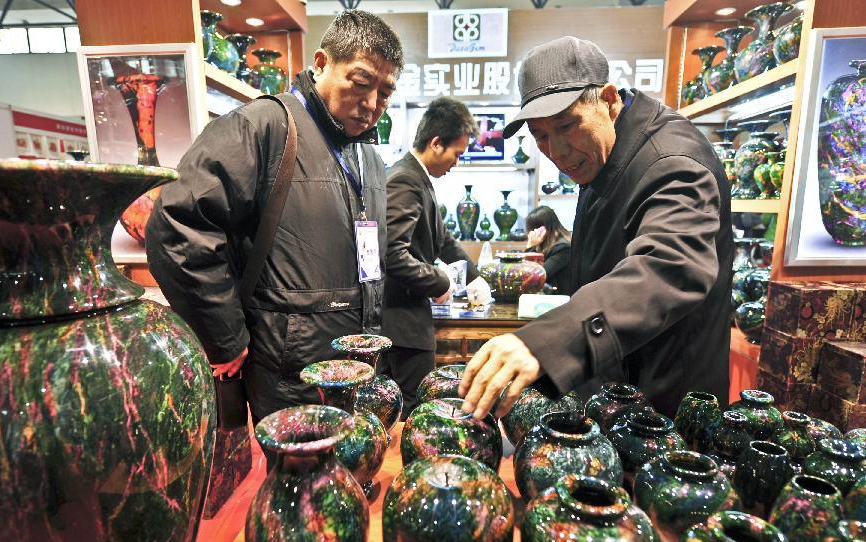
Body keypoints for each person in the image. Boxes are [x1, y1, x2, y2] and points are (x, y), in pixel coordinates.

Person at [145, 10, 403, 422]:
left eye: (385, 92)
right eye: (360, 83)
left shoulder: (368, 154)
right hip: (291, 375)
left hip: (359, 370)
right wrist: (225, 338)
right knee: (298, 483)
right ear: (320, 64)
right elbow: (178, 225)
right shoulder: (263, 127)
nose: (372, 105)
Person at [459, 36, 733, 420]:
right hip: (616, 390)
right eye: (540, 135)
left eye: (566, 125)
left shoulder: (671, 162)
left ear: (608, 99)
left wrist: (549, 340)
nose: (556, 151)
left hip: (664, 408)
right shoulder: (605, 154)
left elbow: (666, 269)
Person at [381, 97, 491, 417]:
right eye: (457, 154)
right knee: (415, 410)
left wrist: (475, 277)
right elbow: (393, 254)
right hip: (401, 322)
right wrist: (441, 280)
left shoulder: (417, 178)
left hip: (405, 318)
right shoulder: (405, 180)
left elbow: (443, 241)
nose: (457, 163)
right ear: (436, 143)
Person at [524, 205, 572, 293]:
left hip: (558, 300)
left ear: (542, 229)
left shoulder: (563, 248)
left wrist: (530, 248)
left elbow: (537, 276)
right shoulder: (545, 246)